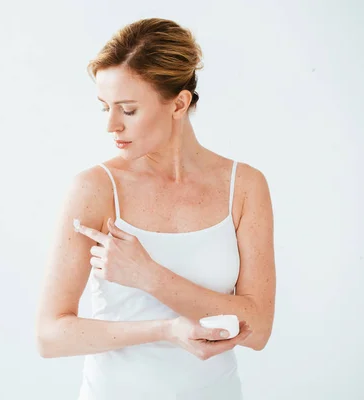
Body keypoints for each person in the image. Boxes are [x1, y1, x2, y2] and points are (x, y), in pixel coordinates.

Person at [35, 17, 276, 400]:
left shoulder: (244, 186)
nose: (111, 126)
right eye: (105, 108)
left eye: (128, 110)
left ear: (179, 103)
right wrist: (164, 329)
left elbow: (258, 329)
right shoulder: (96, 188)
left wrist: (149, 276)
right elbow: (50, 336)